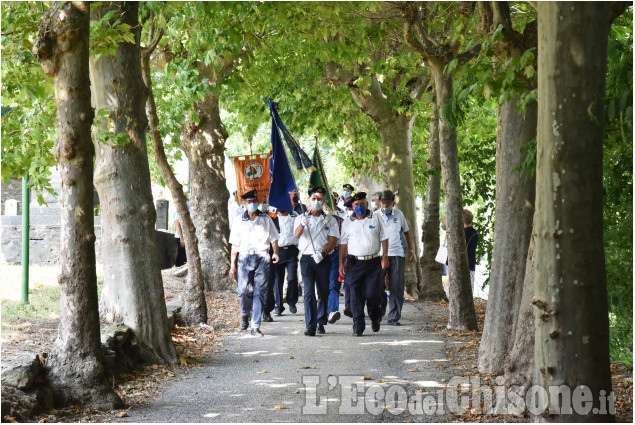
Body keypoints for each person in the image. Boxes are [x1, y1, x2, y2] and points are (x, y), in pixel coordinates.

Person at [228, 189, 280, 337]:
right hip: (244, 258)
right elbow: (235, 244)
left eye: (254, 201)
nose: (252, 204)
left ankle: (255, 326)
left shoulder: (265, 218)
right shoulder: (239, 220)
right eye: (249, 202)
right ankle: (245, 314)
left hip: (263, 257)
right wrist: (233, 265)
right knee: (244, 291)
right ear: (244, 204)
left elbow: (274, 238)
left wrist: (275, 252)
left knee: (259, 292)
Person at [339, 192, 389, 336]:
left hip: (373, 263)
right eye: (356, 205)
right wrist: (341, 264)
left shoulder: (376, 217)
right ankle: (358, 326)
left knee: (372, 294)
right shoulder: (347, 221)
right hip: (354, 264)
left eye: (362, 204)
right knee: (355, 296)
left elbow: (384, 238)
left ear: (366, 205)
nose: (359, 207)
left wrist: (385, 257)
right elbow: (343, 243)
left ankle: (374, 317)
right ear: (352, 207)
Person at [294, 186, 339, 336]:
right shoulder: (301, 218)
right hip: (307, 259)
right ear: (309, 201)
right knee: (308, 293)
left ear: (324, 201)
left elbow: (333, 240)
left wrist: (324, 252)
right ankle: (310, 325)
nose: (317, 201)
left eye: (319, 199)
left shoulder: (330, 219)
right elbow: (296, 235)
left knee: (323, 292)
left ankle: (321, 321)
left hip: (323, 258)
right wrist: (303, 224)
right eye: (314, 199)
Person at [377, 190, 415, 326]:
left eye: (388, 202)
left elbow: (406, 232)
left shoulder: (399, 215)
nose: (385, 205)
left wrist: (411, 250)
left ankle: (393, 317)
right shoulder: (375, 215)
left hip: (397, 254)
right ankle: (379, 313)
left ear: (393, 203)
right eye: (383, 202)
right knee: (377, 286)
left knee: (396, 286)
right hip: (379, 255)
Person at [273, 208, 300, 315]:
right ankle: (278, 306)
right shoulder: (272, 217)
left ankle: (292, 301)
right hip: (278, 251)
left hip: (292, 250)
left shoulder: (295, 216)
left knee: (292, 277)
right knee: (278, 280)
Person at [327, 208, 344, 324]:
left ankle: (332, 311)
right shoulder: (310, 219)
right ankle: (322, 313)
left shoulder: (340, 221)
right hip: (320, 254)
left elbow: (344, 241)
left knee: (333, 283)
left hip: (335, 254)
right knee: (322, 285)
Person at [463, 209, 479, 293]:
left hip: (462, 262)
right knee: (469, 286)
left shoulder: (462, 233)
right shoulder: (474, 232)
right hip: (471, 261)